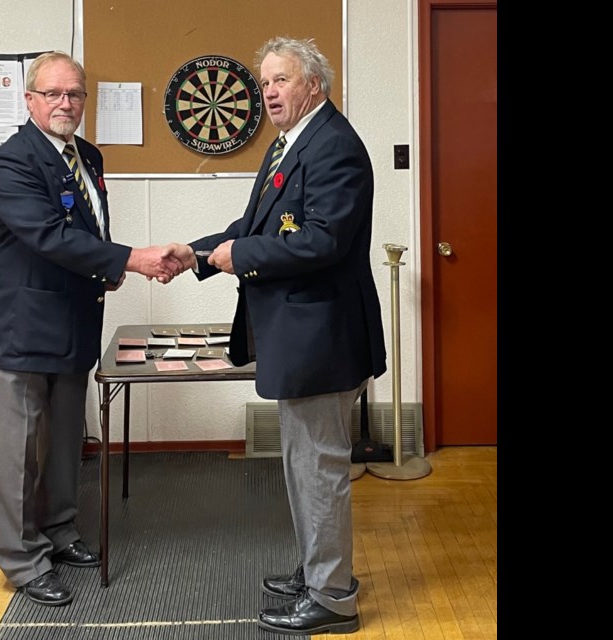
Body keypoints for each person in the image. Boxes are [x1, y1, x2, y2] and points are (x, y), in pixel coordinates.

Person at [167, 36, 387, 635]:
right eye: (264, 82)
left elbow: (323, 240)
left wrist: (241, 254)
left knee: (318, 469)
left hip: (324, 338)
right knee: (302, 465)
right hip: (300, 337)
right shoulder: (291, 144)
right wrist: (198, 251)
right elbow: (256, 226)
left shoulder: (334, 146)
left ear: (313, 85)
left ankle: (332, 596)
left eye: (280, 80)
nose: (267, 92)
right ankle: (317, 570)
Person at [0, 50, 187, 609]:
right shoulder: (12, 162)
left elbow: (88, 223)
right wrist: (128, 260)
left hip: (75, 323)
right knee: (20, 453)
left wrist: (107, 268)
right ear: (30, 100)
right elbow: (48, 236)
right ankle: (23, 560)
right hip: (23, 332)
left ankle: (62, 531)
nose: (65, 103)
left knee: (67, 441)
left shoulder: (87, 155)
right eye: (53, 94)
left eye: (74, 94)